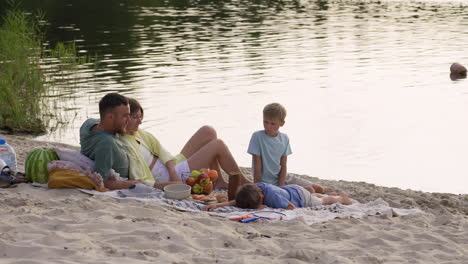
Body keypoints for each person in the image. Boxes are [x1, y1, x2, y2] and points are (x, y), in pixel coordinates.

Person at [122, 98, 251, 199]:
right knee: (218, 145)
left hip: (173, 168)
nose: (140, 121)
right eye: (135, 117)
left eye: (140, 117)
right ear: (125, 119)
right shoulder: (125, 145)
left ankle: (219, 181)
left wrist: (172, 170)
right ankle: (245, 183)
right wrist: (171, 182)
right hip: (167, 178)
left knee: (208, 131)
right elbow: (141, 180)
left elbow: (162, 152)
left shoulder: (139, 133)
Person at [247, 103, 331, 193]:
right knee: (310, 191)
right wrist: (258, 188)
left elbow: (283, 165)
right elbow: (257, 168)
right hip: (266, 182)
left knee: (318, 189)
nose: (268, 127)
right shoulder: (257, 137)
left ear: (282, 123)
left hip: (283, 178)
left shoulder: (284, 138)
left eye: (273, 124)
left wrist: (281, 185)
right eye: (265, 122)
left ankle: (326, 190)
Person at [80, 93, 140, 190]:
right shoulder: (106, 143)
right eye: (125, 116)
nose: (128, 119)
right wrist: (137, 183)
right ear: (110, 117)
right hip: (136, 173)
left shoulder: (88, 124)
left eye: (129, 115)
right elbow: (102, 181)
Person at [204, 183, 352, 211]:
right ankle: (328, 194)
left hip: (300, 198)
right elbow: (238, 201)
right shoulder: (254, 188)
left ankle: (341, 198)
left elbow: (291, 208)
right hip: (291, 190)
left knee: (321, 201)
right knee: (314, 194)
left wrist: (268, 208)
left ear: (262, 197)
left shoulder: (274, 198)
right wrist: (217, 205)